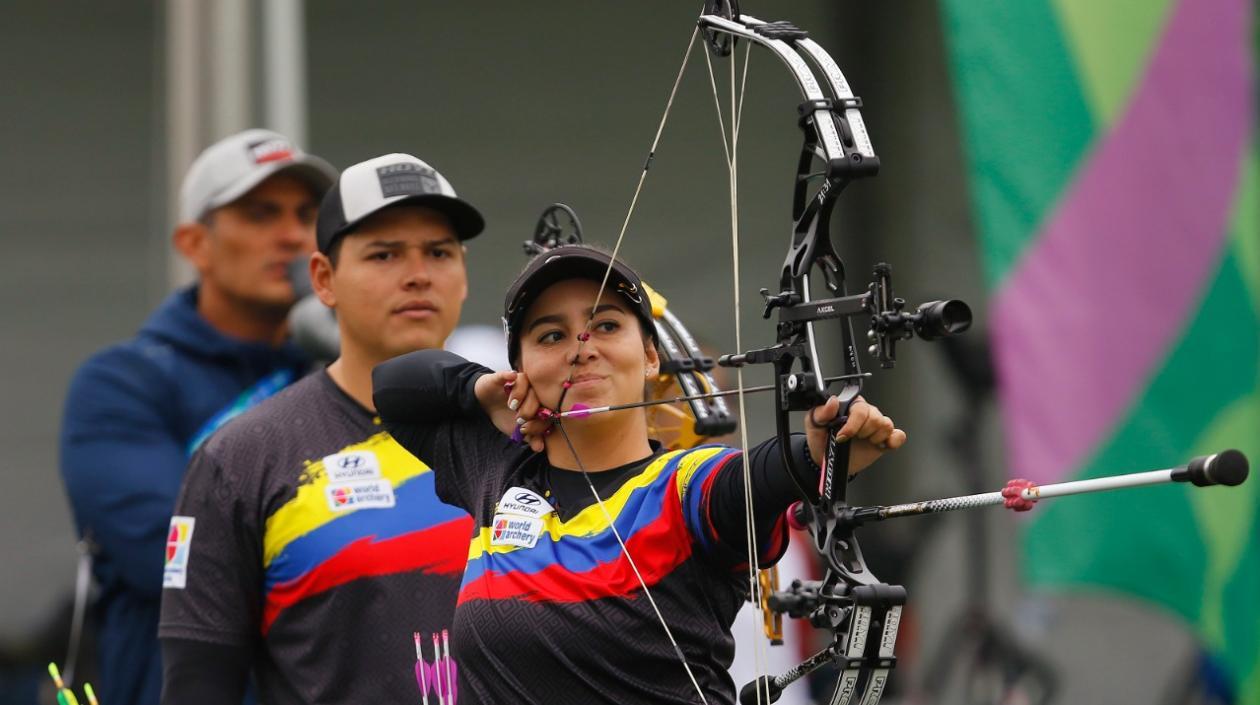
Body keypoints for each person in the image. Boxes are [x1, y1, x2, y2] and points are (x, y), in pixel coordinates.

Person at [372, 244, 907, 705]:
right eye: (551, 336)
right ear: (522, 367)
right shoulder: (498, 473)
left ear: (650, 356)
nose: (583, 349)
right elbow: (392, 387)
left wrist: (821, 451)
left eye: (605, 325)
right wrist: (480, 389)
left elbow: (761, 476)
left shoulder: (686, 487)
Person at [158, 153, 484, 705]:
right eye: (384, 254)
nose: (418, 274)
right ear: (323, 280)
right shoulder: (242, 455)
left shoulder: (528, 435)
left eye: (439, 252)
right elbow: (198, 681)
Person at [59, 129, 335, 705]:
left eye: (308, 214)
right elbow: (177, 564)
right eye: (260, 214)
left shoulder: (345, 373)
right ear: (194, 244)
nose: (291, 235)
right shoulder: (121, 385)